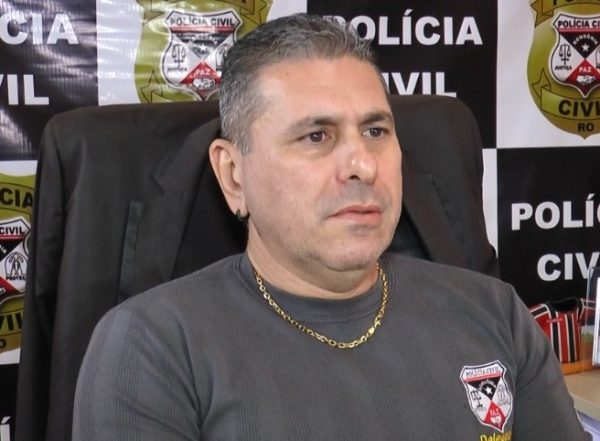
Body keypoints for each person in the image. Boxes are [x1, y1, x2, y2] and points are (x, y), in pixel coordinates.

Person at [72, 13, 590, 441]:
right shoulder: (152, 346)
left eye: (376, 130)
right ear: (233, 176)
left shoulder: (495, 312)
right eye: (316, 136)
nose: (363, 165)